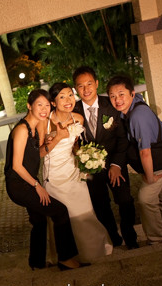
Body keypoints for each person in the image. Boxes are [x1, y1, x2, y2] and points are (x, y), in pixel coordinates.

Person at [4, 89, 81, 271]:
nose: (44, 109)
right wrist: (37, 186)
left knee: (39, 221)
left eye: (47, 105)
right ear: (29, 106)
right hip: (19, 185)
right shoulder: (22, 129)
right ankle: (66, 259)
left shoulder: (34, 128)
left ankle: (37, 263)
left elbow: (38, 154)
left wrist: (54, 140)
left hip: (26, 181)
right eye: (40, 105)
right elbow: (16, 166)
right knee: (60, 212)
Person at [38, 82, 113, 263]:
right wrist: (57, 137)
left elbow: (75, 145)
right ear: (54, 102)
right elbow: (40, 152)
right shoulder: (45, 123)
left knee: (84, 211)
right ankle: (68, 256)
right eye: (62, 97)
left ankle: (92, 250)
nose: (68, 100)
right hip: (54, 177)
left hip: (73, 172)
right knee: (66, 217)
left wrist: (85, 158)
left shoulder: (78, 118)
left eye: (70, 95)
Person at [106, 75, 162, 245]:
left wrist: (150, 176)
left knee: (146, 198)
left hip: (156, 162)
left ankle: (155, 239)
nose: (117, 100)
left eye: (121, 94)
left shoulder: (138, 115)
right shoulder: (130, 109)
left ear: (132, 94)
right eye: (112, 96)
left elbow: (145, 152)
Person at [72, 66, 138, 249]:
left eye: (89, 84)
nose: (86, 90)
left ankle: (130, 238)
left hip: (115, 163)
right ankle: (113, 238)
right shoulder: (74, 111)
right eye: (80, 86)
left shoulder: (111, 105)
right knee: (100, 205)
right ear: (76, 89)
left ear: (96, 83)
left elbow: (123, 139)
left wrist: (116, 164)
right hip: (89, 168)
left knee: (125, 200)